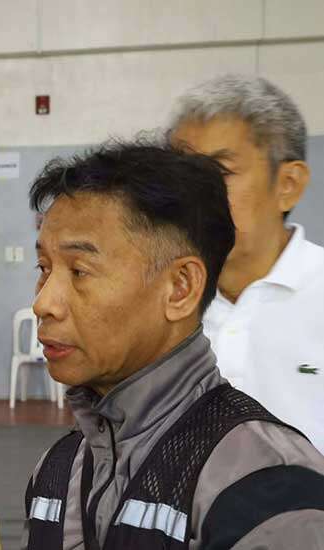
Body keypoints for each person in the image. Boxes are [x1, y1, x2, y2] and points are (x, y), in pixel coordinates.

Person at [23, 141, 324, 549]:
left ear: (180, 287)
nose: (43, 302)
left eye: (79, 271)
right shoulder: (56, 472)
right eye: (44, 268)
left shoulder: (267, 486)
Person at [168, 74, 324, 452]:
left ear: (288, 184)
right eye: (181, 172)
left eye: (220, 171)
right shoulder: (159, 300)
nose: (191, 193)